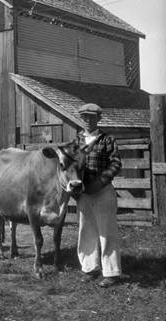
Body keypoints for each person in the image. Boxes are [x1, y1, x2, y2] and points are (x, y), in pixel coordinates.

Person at [74, 103, 123, 288]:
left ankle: (111, 273)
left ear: (98, 119)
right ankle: (90, 269)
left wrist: (100, 182)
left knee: (107, 231)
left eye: (91, 117)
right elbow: (70, 166)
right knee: (86, 230)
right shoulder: (77, 141)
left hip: (103, 191)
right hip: (84, 193)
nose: (88, 120)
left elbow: (116, 164)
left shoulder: (107, 139)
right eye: (84, 117)